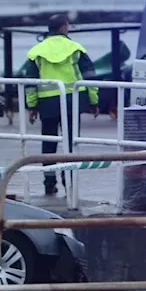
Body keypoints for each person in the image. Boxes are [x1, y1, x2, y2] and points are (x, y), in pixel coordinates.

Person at [20, 15, 100, 196]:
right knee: (71, 144)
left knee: (48, 146)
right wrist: (94, 101)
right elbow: (90, 77)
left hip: (47, 103)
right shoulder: (76, 48)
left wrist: (32, 107)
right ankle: (69, 182)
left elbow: (30, 83)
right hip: (72, 101)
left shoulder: (36, 51)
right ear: (64, 28)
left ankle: (49, 183)